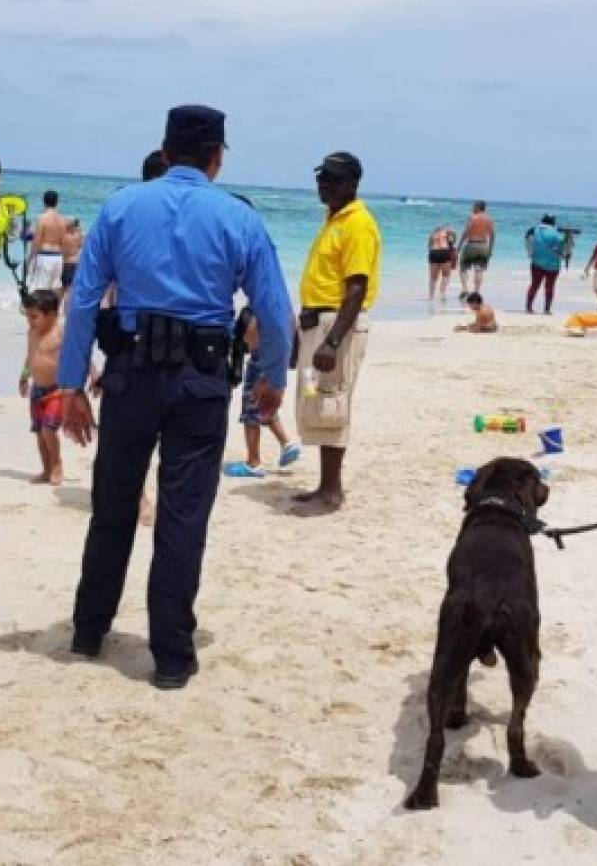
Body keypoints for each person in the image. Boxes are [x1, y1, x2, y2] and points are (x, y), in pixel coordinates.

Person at [58, 105, 293, 689]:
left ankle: (89, 631)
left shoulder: (118, 207)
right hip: (200, 380)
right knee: (184, 516)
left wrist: (70, 384)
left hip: (129, 374)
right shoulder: (238, 219)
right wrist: (274, 378)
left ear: (164, 152)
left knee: (112, 505)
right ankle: (170, 657)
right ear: (217, 157)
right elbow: (273, 310)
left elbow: (84, 301)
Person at [293, 151, 381, 516]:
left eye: (331, 179)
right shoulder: (334, 219)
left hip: (338, 324)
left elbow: (356, 288)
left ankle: (332, 490)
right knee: (318, 402)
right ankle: (324, 485)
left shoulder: (357, 223)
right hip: (320, 321)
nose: (323, 184)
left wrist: (332, 341)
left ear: (352, 184)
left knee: (333, 402)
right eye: (321, 178)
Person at [223, 308, 301, 478]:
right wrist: (292, 356)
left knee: (250, 413)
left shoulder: (256, 309)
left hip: (259, 360)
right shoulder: (279, 306)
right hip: (275, 359)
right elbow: (293, 325)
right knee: (266, 406)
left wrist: (237, 361)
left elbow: (245, 336)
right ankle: (286, 443)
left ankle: (253, 463)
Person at [19, 290, 77, 486]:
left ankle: (57, 464)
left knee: (48, 430)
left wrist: (89, 376)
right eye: (27, 316)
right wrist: (24, 376)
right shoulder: (31, 333)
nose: (30, 321)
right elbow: (30, 356)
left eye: (34, 317)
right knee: (38, 432)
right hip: (37, 390)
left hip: (56, 390)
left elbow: (77, 354)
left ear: (52, 314)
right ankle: (45, 469)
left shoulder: (61, 332)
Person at [27, 189, 67, 293]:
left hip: (44, 256)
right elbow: (64, 242)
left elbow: (37, 241)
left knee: (39, 290)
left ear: (43, 201)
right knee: (54, 290)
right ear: (57, 202)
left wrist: (30, 258)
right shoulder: (63, 220)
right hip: (58, 257)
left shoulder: (42, 218)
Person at [525, 214, 563, 314]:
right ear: (553, 222)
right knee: (550, 287)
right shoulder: (557, 234)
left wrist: (530, 253)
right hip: (553, 265)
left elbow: (527, 240)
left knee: (534, 285)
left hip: (536, 262)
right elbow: (561, 249)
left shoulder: (533, 230)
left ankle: (528, 307)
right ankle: (547, 309)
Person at [456, 200, 494, 300]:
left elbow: (467, 231)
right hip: (483, 245)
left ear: (478, 207)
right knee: (479, 270)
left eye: (474, 206)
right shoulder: (489, 219)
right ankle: (476, 292)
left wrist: (459, 245)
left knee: (463, 268)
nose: (472, 208)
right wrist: (490, 249)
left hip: (472, 244)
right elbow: (492, 234)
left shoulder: (473, 217)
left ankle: (464, 290)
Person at [426, 226, 457, 302]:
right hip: (444, 252)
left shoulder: (432, 235)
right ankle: (442, 294)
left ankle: (431, 296)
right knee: (445, 275)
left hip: (434, 252)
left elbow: (429, 246)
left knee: (433, 278)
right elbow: (453, 240)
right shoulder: (447, 232)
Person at [60, 218, 84, 299]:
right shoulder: (79, 236)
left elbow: (62, 250)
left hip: (67, 263)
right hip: (77, 263)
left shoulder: (64, 237)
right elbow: (81, 245)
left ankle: (60, 308)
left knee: (64, 289)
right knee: (73, 289)